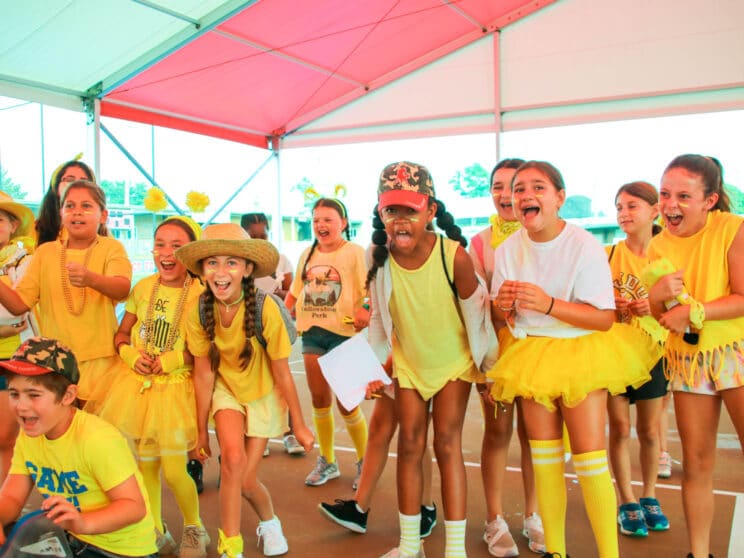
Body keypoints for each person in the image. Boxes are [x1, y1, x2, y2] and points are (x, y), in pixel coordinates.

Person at [487, 161, 654, 558]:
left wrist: (548, 304)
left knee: (589, 458)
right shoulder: (508, 249)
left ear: (559, 198)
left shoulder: (582, 244)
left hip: (582, 353)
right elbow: (500, 314)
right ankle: (556, 552)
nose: (526, 195)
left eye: (538, 187)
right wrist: (503, 306)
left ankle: (608, 554)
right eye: (519, 188)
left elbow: (602, 317)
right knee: (544, 461)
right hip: (533, 356)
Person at [367, 161, 487, 558]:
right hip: (409, 365)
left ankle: (455, 550)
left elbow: (476, 318)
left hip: (453, 363)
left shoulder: (455, 257)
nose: (400, 220)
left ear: (430, 211)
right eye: (391, 210)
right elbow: (380, 322)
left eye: (410, 210)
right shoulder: (379, 257)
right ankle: (408, 545)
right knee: (410, 446)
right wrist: (372, 368)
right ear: (380, 212)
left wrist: (487, 367)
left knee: (447, 444)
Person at [176, 223, 314, 558]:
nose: (221, 272)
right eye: (212, 263)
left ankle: (269, 522)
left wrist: (298, 424)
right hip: (226, 391)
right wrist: (200, 433)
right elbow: (204, 375)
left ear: (248, 269)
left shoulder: (265, 308)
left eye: (231, 263)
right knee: (232, 464)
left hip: (263, 393)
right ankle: (230, 546)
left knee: (247, 481)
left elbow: (282, 372)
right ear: (202, 270)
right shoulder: (197, 309)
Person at [646, 154, 744, 558]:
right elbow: (659, 317)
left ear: (710, 200)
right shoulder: (656, 244)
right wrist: (656, 297)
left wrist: (695, 311)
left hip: (736, 353)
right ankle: (699, 553)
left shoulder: (733, 229)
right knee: (697, 464)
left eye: (684, 196)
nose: (671, 205)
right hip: (688, 361)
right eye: (666, 194)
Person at [96, 216, 208, 557]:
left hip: (176, 391)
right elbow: (122, 333)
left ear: (191, 253)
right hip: (137, 387)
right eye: (160, 244)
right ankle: (155, 530)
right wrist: (129, 354)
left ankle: (194, 529)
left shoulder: (201, 294)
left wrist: (173, 361)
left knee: (175, 470)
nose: (167, 252)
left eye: (177, 246)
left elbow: (203, 349)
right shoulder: (143, 288)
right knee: (145, 466)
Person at [0, 336, 158, 558]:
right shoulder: (30, 433)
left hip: (120, 550)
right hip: (71, 539)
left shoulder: (97, 439)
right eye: (14, 393)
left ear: (68, 395)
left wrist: (81, 523)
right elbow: (13, 498)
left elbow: (133, 507)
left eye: (33, 395)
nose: (21, 406)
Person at [469, 159, 544, 556]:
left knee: (536, 437)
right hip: (496, 354)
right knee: (497, 434)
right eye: (498, 187)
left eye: (513, 186)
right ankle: (494, 519)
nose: (505, 195)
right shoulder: (480, 243)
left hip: (539, 354)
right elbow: (476, 306)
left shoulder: (547, 237)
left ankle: (535, 514)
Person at [0, 180, 131, 407]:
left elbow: (122, 288)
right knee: (62, 433)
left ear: (103, 215)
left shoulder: (111, 247)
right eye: (69, 206)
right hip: (55, 361)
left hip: (101, 361)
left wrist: (91, 279)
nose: (77, 212)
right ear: (61, 213)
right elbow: (19, 305)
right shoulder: (46, 252)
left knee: (94, 434)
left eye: (86, 206)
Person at [285, 198, 369, 488]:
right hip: (312, 334)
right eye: (316, 219)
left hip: (344, 335)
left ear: (343, 223)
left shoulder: (355, 253)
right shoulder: (307, 254)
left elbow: (370, 290)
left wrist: (365, 310)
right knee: (320, 401)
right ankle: (328, 461)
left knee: (348, 404)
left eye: (328, 219)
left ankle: (364, 462)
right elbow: (295, 292)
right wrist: (282, 319)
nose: (321, 225)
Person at [606, 182, 670, 537]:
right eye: (619, 207)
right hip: (615, 354)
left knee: (648, 431)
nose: (624, 214)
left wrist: (656, 307)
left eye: (632, 206)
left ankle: (649, 495)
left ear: (654, 211)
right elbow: (592, 301)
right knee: (620, 428)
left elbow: (680, 307)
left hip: (654, 355)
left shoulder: (665, 258)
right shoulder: (609, 254)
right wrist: (609, 306)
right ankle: (626, 500)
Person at [318, 357, 438, 539]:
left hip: (422, 359)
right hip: (394, 363)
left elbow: (405, 333)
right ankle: (359, 509)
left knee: (414, 436)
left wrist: (382, 371)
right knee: (379, 429)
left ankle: (426, 507)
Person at [240, 212, 303, 456]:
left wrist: (278, 293)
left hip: (273, 326)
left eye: (263, 235)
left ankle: (290, 433)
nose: (259, 239)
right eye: (253, 236)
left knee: (281, 379)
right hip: (246, 329)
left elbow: (290, 291)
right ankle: (259, 435)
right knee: (251, 381)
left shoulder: (281, 260)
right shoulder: (239, 263)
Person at [0, 192, 36, 484]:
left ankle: (6, 504)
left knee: (4, 437)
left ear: (13, 225)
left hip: (12, 359)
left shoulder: (23, 261)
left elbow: (17, 313)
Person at [35, 156, 95, 246]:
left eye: (84, 182)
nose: (76, 185)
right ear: (56, 187)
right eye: (69, 180)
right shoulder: (37, 228)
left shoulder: (101, 231)